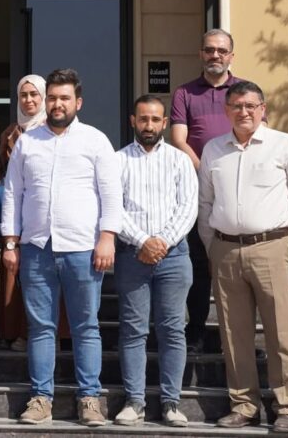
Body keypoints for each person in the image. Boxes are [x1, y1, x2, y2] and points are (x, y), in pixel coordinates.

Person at [1, 68, 121, 427]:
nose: (57, 104)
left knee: (86, 326)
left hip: (83, 248)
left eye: (64, 98)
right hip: (36, 247)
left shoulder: (95, 140)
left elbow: (111, 194)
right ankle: (41, 398)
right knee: (40, 327)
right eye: (52, 97)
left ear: (77, 102)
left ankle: (89, 399)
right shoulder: (27, 141)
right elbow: (12, 193)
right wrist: (10, 241)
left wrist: (107, 237)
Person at [198, 80, 288, 433]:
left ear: (263, 109)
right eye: (236, 106)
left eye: (251, 105)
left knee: (281, 333)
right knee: (234, 334)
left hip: (272, 246)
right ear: (226, 110)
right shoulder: (214, 150)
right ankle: (244, 404)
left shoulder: (284, 145)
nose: (243, 111)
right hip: (226, 249)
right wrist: (213, 248)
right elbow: (205, 204)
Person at [112, 95, 197, 428]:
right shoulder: (117, 161)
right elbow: (113, 208)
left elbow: (188, 207)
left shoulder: (179, 161)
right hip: (132, 256)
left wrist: (161, 242)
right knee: (133, 330)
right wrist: (143, 241)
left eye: (156, 120)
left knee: (172, 329)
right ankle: (135, 402)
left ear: (165, 123)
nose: (149, 125)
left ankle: (171, 402)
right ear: (132, 120)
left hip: (174, 256)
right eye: (143, 119)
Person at [170, 28, 249, 353]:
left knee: (234, 266)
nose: (214, 55)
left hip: (237, 193)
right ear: (201, 54)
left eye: (221, 50)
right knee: (199, 264)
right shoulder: (185, 93)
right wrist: (205, 170)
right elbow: (177, 138)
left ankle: (237, 334)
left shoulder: (244, 91)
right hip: (198, 192)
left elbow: (255, 131)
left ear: (231, 55)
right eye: (209, 50)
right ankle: (197, 330)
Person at [0, 74, 72, 352]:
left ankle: (59, 335)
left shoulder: (60, 132)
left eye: (34, 95)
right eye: (23, 95)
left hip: (52, 219)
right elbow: (2, 175)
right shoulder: (10, 133)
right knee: (18, 275)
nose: (28, 100)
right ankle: (20, 333)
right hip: (18, 217)